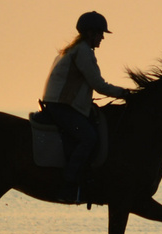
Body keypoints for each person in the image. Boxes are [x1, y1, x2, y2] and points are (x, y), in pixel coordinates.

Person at [41, 11, 132, 201]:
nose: (102, 38)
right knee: (88, 137)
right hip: (62, 106)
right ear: (90, 33)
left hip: (63, 104)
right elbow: (98, 85)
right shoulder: (82, 52)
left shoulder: (75, 49)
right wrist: (124, 93)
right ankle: (68, 185)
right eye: (100, 33)